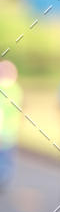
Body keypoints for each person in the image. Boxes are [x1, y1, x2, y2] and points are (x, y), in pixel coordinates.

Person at [0, 60, 22, 191]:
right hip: (10, 131)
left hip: (7, 130)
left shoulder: (12, 90)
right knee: (6, 158)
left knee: (5, 157)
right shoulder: (16, 89)